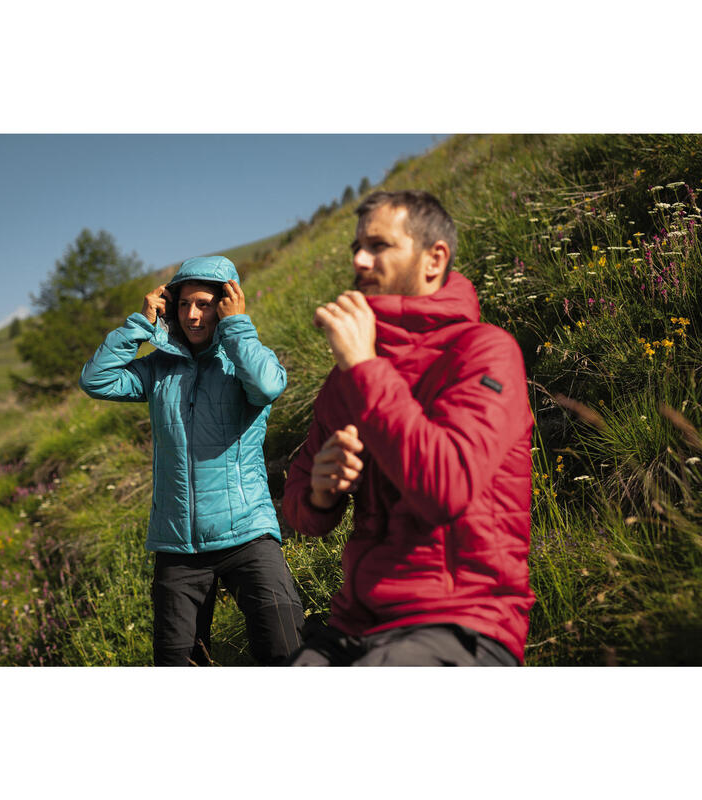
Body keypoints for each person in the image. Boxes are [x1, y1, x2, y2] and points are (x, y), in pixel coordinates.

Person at [282, 190, 535, 666]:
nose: (359, 259)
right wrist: (321, 493)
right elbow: (297, 503)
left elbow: (446, 486)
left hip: (461, 624)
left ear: (434, 258)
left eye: (378, 246)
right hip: (353, 626)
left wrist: (363, 366)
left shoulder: (484, 351)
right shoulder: (350, 376)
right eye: (357, 246)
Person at [79, 255, 304, 666]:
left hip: (249, 534)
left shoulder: (246, 360)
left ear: (225, 303)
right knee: (179, 665)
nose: (192, 315)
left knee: (286, 650)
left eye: (203, 304)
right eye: (183, 304)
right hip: (177, 545)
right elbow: (96, 379)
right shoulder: (158, 369)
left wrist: (237, 327)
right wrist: (141, 323)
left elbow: (269, 386)